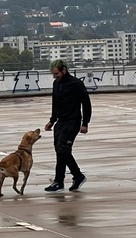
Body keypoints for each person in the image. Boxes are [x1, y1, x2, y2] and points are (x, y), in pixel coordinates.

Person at [44, 59, 92, 192]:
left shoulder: (76, 84)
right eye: (53, 74)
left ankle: (58, 181)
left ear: (64, 70)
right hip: (60, 122)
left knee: (62, 149)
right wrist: (52, 121)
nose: (55, 76)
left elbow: (86, 103)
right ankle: (78, 176)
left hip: (73, 122)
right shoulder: (56, 84)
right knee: (61, 150)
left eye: (56, 73)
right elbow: (55, 103)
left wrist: (85, 123)